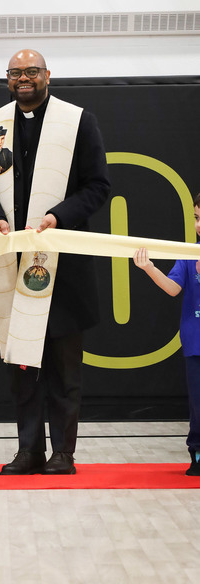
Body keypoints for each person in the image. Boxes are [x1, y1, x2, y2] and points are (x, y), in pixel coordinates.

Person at [0, 49, 110, 475]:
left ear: (48, 75)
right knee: (22, 367)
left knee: (65, 369)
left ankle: (62, 453)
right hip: (12, 264)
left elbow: (97, 186)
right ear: (8, 79)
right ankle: (28, 450)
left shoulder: (77, 120)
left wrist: (58, 217)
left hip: (63, 265)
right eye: (16, 73)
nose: (24, 78)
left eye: (32, 71)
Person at [133, 195, 200, 476]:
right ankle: (196, 453)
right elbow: (173, 288)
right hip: (195, 342)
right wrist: (148, 267)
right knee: (198, 403)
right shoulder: (187, 253)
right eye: (197, 218)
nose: (198, 224)